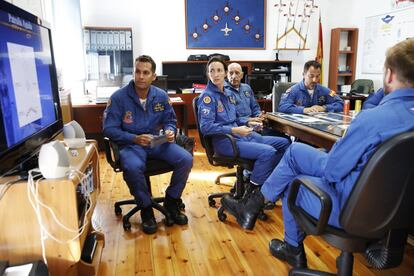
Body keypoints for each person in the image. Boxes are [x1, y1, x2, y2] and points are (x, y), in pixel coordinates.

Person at [221, 38, 414, 268]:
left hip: (353, 210)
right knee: (301, 152)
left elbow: (333, 172)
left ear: (389, 76)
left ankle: (283, 239)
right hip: (399, 212)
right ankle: (253, 207)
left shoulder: (373, 120)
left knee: (293, 171)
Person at [103, 55, 193, 234]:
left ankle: (172, 201)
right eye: (137, 72)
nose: (141, 76)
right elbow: (108, 130)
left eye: (146, 73)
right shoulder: (119, 98)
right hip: (131, 145)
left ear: (154, 76)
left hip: (156, 142)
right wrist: (133, 138)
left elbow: (170, 120)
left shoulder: (160, 96)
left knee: (186, 159)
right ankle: (146, 208)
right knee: (133, 167)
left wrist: (169, 131)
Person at [197, 56, 290, 214]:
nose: (216, 74)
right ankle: (250, 198)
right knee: (268, 152)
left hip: (242, 134)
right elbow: (206, 127)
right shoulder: (207, 97)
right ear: (208, 73)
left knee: (284, 144)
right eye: (212, 70)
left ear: (224, 73)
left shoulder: (226, 93)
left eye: (219, 70)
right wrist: (234, 130)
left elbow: (234, 118)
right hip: (226, 142)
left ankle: (261, 182)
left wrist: (248, 122)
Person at [225, 62, 283, 137]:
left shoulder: (247, 88)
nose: (234, 76)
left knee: (282, 136)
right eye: (231, 73)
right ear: (227, 74)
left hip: (254, 125)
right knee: (281, 141)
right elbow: (230, 118)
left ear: (242, 75)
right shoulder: (223, 91)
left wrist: (259, 115)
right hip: (239, 128)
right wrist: (248, 120)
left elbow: (255, 108)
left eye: (237, 73)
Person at [279, 60, 344, 114]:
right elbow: (283, 106)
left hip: (318, 124)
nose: (315, 80)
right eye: (311, 76)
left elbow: (341, 104)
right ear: (304, 75)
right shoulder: (293, 90)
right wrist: (304, 110)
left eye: (317, 76)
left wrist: (324, 108)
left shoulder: (326, 90)